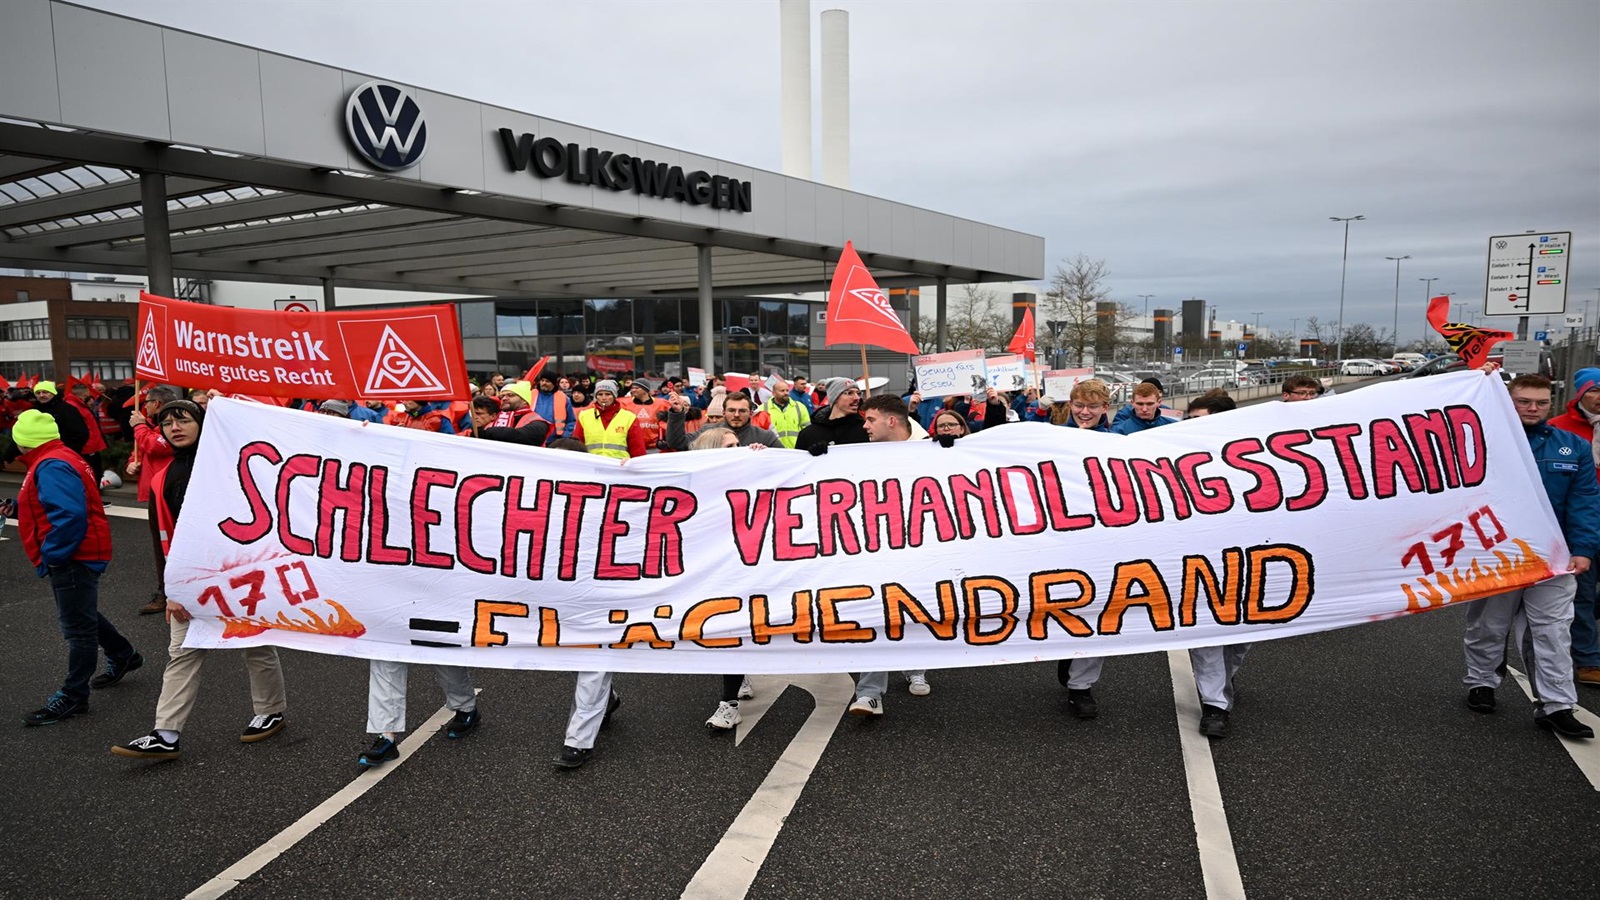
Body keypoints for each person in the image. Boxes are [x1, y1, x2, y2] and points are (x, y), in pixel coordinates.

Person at [112, 399, 289, 760]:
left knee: (254, 644)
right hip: (189, 580)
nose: (174, 427)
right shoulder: (163, 477)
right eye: (166, 423)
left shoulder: (223, 467)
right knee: (182, 652)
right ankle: (165, 734)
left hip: (236, 574)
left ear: (202, 423)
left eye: (183, 419)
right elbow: (162, 536)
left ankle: (270, 711)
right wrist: (170, 589)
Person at [1462, 373, 1595, 739]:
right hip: (1495, 554)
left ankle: (1556, 705)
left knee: (1552, 631)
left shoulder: (1573, 447)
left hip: (1554, 557)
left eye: (1540, 402)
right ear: (1509, 400)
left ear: (1551, 402)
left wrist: (1583, 549)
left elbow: (1584, 501)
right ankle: (1481, 684)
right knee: (1488, 624)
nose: (1532, 408)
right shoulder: (1480, 442)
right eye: (1523, 401)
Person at [4, 411, 140, 726]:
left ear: (23, 441)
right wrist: (18, 505)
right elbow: (58, 504)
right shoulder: (58, 457)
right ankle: (124, 655)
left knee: (77, 629)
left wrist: (53, 555)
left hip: (73, 556)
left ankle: (74, 696)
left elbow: (69, 514)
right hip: (79, 552)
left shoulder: (50, 464)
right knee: (83, 613)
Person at [845, 395, 932, 715]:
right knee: (875, 614)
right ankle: (869, 693)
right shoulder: (862, 453)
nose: (864, 426)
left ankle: (915, 665)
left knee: (916, 608)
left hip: (923, 546)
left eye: (870, 420)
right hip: (877, 546)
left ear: (891, 421)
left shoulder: (936, 448)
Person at [549, 437, 625, 768]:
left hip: (601, 589)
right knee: (569, 657)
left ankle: (578, 740)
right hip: (557, 591)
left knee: (594, 657)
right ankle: (607, 700)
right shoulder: (532, 492)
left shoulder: (607, 495)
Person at [1176, 391, 1246, 737]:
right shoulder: (1175, 454)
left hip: (1245, 561)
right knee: (1207, 634)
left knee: (1241, 637)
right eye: (1189, 420)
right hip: (1200, 564)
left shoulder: (1249, 455)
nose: (1191, 427)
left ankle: (1223, 684)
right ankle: (1215, 704)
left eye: (1199, 420)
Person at [687, 424, 762, 730]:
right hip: (711, 565)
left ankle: (729, 702)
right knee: (724, 630)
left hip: (747, 562)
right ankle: (734, 689)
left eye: (738, 444)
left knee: (738, 629)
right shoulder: (696, 481)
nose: (739, 449)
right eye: (729, 447)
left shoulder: (752, 471)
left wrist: (764, 459)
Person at [1058, 378, 1113, 718]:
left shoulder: (1122, 443)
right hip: (1058, 537)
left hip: (1102, 540)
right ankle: (1067, 653)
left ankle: (1081, 685)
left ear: (1105, 408)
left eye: (1093, 406)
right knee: (1062, 608)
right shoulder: (1047, 438)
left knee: (1099, 611)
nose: (1085, 412)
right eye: (1079, 405)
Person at [1546, 366, 1600, 686]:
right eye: (1593, 391)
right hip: (1578, 522)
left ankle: (1580, 627)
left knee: (1588, 602)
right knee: (1581, 594)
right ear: (1580, 394)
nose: (1599, 398)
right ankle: (1588, 659)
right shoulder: (1558, 429)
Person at [128, 387, 178, 615]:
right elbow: (142, 449)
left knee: (168, 544)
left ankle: (170, 591)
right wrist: (131, 464)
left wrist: (139, 425)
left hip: (168, 493)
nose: (143, 406)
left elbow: (156, 444)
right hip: (155, 493)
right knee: (161, 545)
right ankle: (166, 590)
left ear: (157, 404)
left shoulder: (169, 428)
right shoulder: (154, 428)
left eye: (146, 402)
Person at [576, 380, 649, 458]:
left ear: (614, 396)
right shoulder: (584, 416)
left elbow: (637, 448)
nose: (604, 398)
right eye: (600, 394)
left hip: (619, 466)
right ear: (596, 396)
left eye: (608, 394)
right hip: (592, 465)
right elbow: (576, 445)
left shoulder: (629, 417)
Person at [795, 378, 868, 453]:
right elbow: (798, 462)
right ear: (835, 397)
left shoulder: (867, 430)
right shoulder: (809, 434)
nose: (857, 398)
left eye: (858, 393)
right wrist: (811, 456)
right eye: (849, 393)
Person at [761, 379, 811, 449]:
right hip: (774, 451)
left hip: (796, 450)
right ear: (773, 393)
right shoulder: (763, 409)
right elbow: (759, 432)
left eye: (787, 390)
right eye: (782, 391)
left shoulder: (800, 407)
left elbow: (807, 430)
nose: (786, 393)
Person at [533, 372, 576, 438]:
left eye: (547, 381)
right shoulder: (531, 394)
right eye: (542, 380)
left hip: (554, 439)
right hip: (532, 436)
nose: (544, 383)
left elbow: (571, 421)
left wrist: (565, 435)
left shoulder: (563, 398)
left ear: (553, 384)